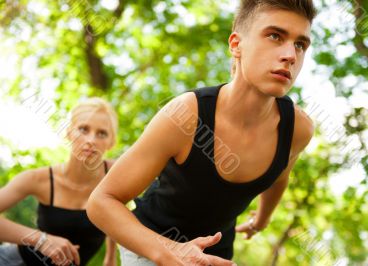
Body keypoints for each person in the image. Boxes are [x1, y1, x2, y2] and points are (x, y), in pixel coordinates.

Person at [87, 0, 317, 265]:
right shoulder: (186, 116)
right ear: (236, 45)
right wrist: (170, 251)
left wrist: (260, 221)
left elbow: (280, 176)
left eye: (300, 44)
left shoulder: (298, 129)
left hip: (216, 255)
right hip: (151, 245)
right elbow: (101, 202)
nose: (290, 54)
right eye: (275, 36)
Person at [0, 98, 118, 266]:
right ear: (69, 132)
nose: (91, 140)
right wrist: (41, 240)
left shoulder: (116, 175)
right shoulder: (38, 179)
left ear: (111, 142)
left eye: (102, 133)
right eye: (83, 129)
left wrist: (110, 257)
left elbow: (117, 209)